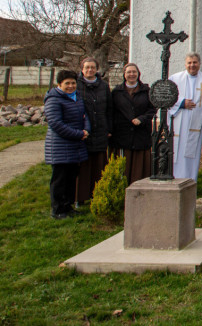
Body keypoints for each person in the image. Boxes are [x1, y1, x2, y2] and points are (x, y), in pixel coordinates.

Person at [44, 70, 89, 219]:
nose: (71, 86)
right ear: (59, 84)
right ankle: (57, 210)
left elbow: (85, 116)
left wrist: (86, 130)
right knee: (59, 180)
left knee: (71, 178)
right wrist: (79, 134)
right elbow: (56, 124)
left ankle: (67, 207)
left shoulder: (77, 97)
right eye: (67, 83)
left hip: (74, 146)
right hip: (60, 146)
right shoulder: (53, 100)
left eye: (73, 83)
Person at [168, 53, 202, 181]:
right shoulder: (175, 79)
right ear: (185, 64)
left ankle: (190, 182)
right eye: (189, 63)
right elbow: (167, 97)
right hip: (178, 121)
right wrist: (182, 103)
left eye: (195, 62)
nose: (192, 65)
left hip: (196, 124)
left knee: (191, 155)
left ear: (199, 63)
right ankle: (174, 180)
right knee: (176, 152)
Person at [75, 57, 112, 205]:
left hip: (101, 129)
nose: (90, 70)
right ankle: (80, 197)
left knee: (98, 165)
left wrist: (109, 128)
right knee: (83, 166)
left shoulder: (104, 86)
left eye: (92, 67)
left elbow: (109, 108)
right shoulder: (76, 85)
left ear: (97, 69)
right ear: (82, 69)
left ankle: (97, 194)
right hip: (83, 130)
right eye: (87, 67)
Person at [111, 63, 155, 184]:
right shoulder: (117, 91)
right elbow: (112, 111)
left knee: (139, 167)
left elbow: (152, 109)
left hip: (141, 134)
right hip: (122, 135)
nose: (131, 74)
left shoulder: (146, 91)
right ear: (124, 74)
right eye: (128, 72)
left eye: (134, 72)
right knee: (124, 167)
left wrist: (142, 119)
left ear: (138, 74)